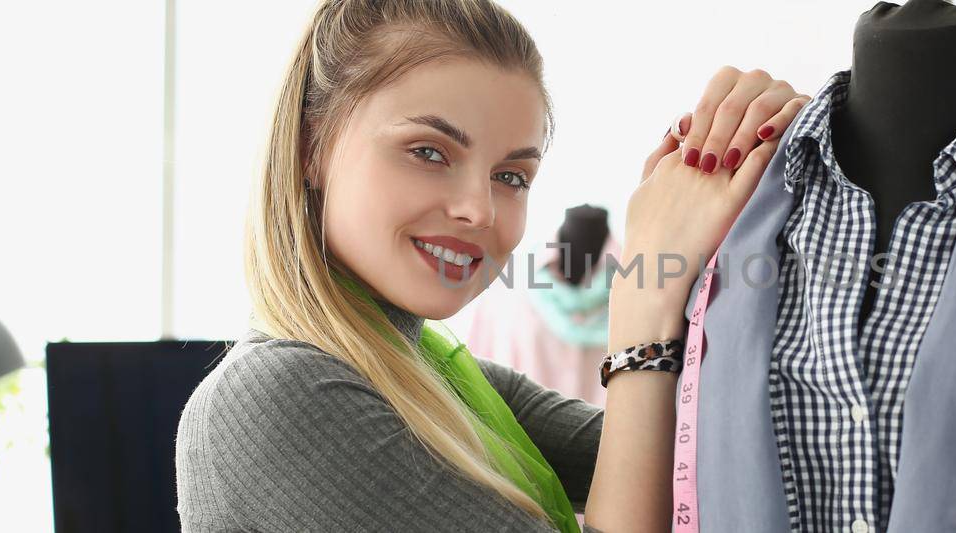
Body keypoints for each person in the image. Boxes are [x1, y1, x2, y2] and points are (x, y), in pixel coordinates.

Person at [173, 0, 808, 531]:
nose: (478, 210)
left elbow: (699, 467)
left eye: (511, 175)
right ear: (311, 149)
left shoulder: (440, 380)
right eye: (428, 150)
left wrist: (762, 156)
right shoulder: (281, 398)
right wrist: (644, 301)